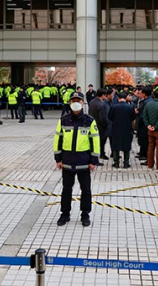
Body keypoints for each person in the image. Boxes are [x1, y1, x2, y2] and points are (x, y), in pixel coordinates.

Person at [54, 92, 100, 227]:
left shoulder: (89, 121)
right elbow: (58, 139)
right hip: (67, 161)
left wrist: (94, 161)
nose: (76, 102)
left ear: (82, 103)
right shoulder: (63, 120)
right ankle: (65, 214)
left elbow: (95, 141)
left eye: (78, 100)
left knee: (85, 190)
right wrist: (58, 158)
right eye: (73, 100)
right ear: (69, 103)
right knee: (66, 189)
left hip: (84, 162)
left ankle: (85, 214)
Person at [108, 92, 135, 168]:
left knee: (116, 146)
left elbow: (110, 117)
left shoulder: (113, 107)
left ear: (118, 98)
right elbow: (133, 117)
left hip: (116, 128)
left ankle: (116, 163)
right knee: (127, 146)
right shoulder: (130, 107)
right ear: (126, 97)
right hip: (127, 128)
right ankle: (126, 163)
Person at [142, 89, 158, 170]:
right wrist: (155, 126)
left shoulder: (148, 104)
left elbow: (144, 115)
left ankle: (150, 164)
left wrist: (148, 125)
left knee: (150, 147)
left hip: (150, 130)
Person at [89, 89, 109, 164]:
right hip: (100, 126)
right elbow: (102, 118)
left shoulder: (92, 102)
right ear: (103, 95)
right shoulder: (101, 105)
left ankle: (101, 154)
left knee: (94, 142)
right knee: (100, 142)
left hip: (92, 124)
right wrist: (106, 125)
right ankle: (97, 157)